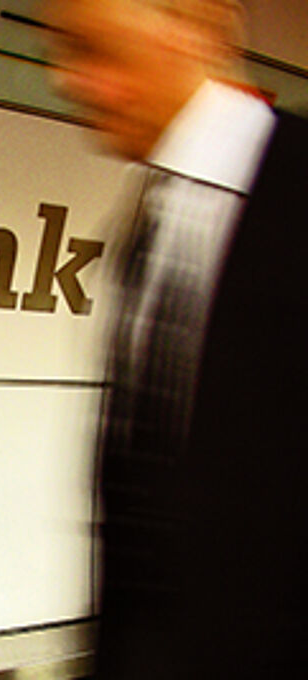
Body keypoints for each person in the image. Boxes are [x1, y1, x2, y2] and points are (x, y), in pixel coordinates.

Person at [44, 1, 307, 678]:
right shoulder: (144, 216)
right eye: (65, 50)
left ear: (193, 27)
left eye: (97, 50)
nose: (67, 79)